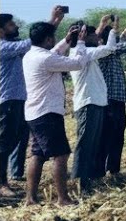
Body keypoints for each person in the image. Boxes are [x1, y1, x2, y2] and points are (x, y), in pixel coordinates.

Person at [21, 21, 90, 205]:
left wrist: (66, 41)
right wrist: (80, 42)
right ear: (48, 39)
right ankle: (63, 198)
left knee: (38, 154)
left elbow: (54, 53)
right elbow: (78, 63)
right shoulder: (45, 59)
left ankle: (30, 198)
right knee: (60, 155)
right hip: (47, 113)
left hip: (35, 112)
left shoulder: (31, 55)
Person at [1, 6, 65, 197]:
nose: (15, 26)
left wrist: (54, 24)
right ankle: (1, 183)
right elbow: (32, 42)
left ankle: (10, 177)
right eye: (10, 24)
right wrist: (51, 21)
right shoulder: (3, 47)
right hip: (7, 101)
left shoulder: (12, 45)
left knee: (16, 140)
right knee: (4, 143)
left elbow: (36, 43)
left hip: (20, 100)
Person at [67, 18, 120, 194]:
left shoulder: (84, 51)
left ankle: (86, 180)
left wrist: (102, 26)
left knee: (92, 144)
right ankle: (79, 182)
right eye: (93, 34)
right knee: (85, 144)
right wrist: (114, 29)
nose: (98, 37)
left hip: (95, 102)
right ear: (83, 37)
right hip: (88, 103)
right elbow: (110, 48)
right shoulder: (82, 52)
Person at [97, 14, 126, 178]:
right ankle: (102, 170)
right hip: (109, 100)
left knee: (117, 135)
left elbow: (120, 40)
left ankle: (113, 170)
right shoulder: (105, 52)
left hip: (116, 99)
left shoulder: (110, 49)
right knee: (109, 135)